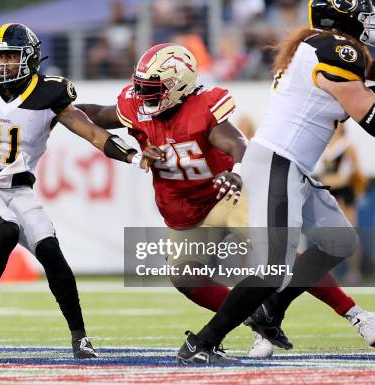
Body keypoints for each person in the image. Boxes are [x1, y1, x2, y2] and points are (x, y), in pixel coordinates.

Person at [77, 43, 375, 360]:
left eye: (152, 89)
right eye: (141, 87)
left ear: (178, 85)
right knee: (185, 277)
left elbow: (236, 143)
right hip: (185, 212)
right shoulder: (136, 106)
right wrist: (58, 109)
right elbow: (96, 114)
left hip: (226, 196)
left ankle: (356, 315)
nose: (142, 96)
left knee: (278, 261)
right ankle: (257, 322)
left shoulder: (204, 106)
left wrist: (238, 170)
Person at [0, 23, 159, 361]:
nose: (2, 65)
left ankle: (80, 337)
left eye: (10, 57)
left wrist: (133, 156)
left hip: (18, 189)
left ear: (30, 59)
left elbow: (92, 133)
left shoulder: (50, 93)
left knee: (51, 252)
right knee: (5, 231)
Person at [176, 0, 375, 363]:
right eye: (365, 16)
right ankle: (201, 343)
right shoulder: (335, 50)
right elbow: (367, 112)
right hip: (277, 164)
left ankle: (271, 311)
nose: (370, 23)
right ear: (342, 17)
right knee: (271, 271)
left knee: (339, 242)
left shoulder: (315, 46)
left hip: (290, 165)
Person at [319, 123, 366, 284]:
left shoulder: (347, 145)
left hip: (344, 192)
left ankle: (354, 271)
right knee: (331, 233)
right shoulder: (326, 146)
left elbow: (354, 171)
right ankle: (329, 271)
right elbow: (324, 172)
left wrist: (341, 180)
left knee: (351, 231)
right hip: (329, 192)